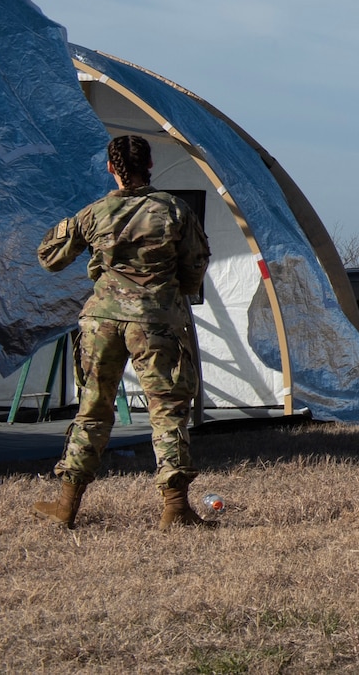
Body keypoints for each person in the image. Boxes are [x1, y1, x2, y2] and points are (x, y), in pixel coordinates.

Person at [31, 133, 213, 530]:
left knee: (93, 408)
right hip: (155, 321)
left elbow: (49, 258)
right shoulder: (174, 210)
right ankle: (175, 507)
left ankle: (67, 505)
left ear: (111, 168)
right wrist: (166, 293)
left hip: (101, 321)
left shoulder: (94, 213)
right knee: (167, 411)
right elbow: (195, 267)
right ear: (150, 166)